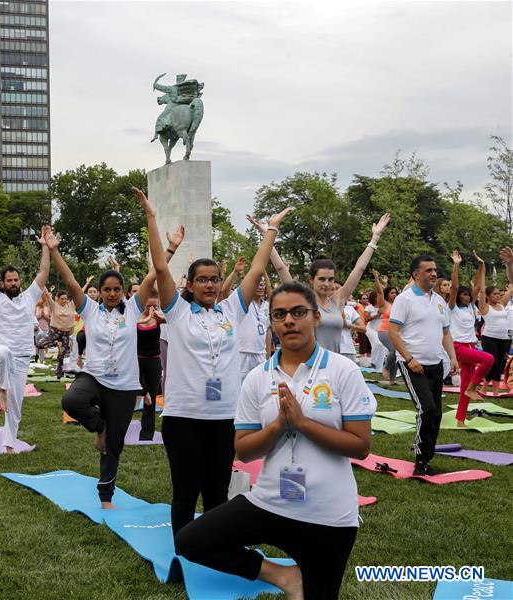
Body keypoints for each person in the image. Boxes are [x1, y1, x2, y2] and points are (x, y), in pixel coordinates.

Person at [175, 281, 374, 600]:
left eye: (298, 312)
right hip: (270, 503)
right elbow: (243, 448)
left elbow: (361, 446)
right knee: (191, 541)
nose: (289, 321)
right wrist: (280, 425)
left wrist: (302, 423)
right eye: (279, 314)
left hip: (328, 515)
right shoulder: (258, 377)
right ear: (272, 322)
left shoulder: (342, 371)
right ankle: (282, 575)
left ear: (316, 317)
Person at [147, 187, 293, 537]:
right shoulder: (178, 312)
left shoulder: (231, 309)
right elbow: (161, 269)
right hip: (183, 417)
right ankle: (184, 552)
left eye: (214, 279)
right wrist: (152, 220)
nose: (210, 284)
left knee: (216, 492)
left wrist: (270, 230)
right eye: (203, 279)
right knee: (185, 492)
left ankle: (212, 550)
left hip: (225, 417)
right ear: (192, 285)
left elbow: (257, 269)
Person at [45, 212, 173, 508]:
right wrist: (53, 250)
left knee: (113, 447)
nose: (113, 294)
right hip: (93, 377)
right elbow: (69, 280)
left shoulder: (133, 309)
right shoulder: (89, 309)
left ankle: (106, 496)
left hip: (124, 387)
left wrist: (171, 248)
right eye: (107, 289)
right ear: (100, 292)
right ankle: (99, 426)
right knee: (71, 402)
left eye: (117, 289)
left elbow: (155, 273)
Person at [249, 213, 391, 353]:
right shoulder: (304, 299)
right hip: (309, 366)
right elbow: (280, 267)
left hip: (334, 366)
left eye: (330, 279)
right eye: (322, 279)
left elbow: (359, 269)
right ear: (311, 279)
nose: (327, 284)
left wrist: (374, 239)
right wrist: (267, 233)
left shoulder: (337, 301)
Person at [0, 225, 50, 453]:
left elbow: (43, 274)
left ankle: (9, 445)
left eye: (16, 280)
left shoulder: (29, 297)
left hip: (21, 359)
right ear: (2, 284)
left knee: (15, 406)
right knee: (3, 352)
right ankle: (1, 387)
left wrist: (46, 248)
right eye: (9, 280)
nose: (13, 283)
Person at [388, 255, 459, 476]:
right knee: (426, 409)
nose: (434, 273)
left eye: (435, 269)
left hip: (435, 363)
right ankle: (420, 459)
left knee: (436, 413)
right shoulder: (405, 299)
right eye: (428, 270)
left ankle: (427, 458)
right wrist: (409, 359)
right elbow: (393, 333)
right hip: (412, 364)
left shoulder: (439, 300)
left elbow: (445, 332)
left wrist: (453, 357)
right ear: (416, 274)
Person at [449, 251, 492, 426]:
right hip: (459, 347)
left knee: (465, 385)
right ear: (459, 296)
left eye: (468, 294)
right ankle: (473, 387)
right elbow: (453, 287)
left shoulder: (469, 307)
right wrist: (456, 265)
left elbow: (479, 287)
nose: (467, 296)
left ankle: (460, 420)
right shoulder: (452, 307)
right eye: (463, 294)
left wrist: (482, 266)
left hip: (471, 346)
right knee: (489, 359)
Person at [137, 291, 166, 440]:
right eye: (149, 305)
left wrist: (160, 317)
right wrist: (147, 318)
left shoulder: (159, 319)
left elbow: (175, 321)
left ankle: (147, 433)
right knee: (136, 392)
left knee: (151, 400)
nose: (152, 309)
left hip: (154, 361)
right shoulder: (136, 318)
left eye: (155, 306)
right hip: (137, 361)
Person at [475, 283, 513, 398]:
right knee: (494, 363)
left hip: (504, 339)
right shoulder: (485, 307)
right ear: (488, 296)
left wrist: (508, 267)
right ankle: (489, 389)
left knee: (499, 364)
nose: (498, 296)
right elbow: (481, 291)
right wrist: (482, 271)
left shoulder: (501, 305)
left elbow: (510, 290)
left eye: (498, 293)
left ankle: (488, 390)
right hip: (489, 338)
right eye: (495, 294)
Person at [238, 276, 271, 381]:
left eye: (262, 285)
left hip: (261, 353)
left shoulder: (267, 306)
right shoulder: (244, 303)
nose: (260, 287)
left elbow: (268, 332)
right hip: (243, 351)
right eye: (257, 285)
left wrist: (268, 355)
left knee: (260, 385)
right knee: (240, 386)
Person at [43, 289, 76, 378]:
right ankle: (56, 343)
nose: (64, 300)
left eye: (65, 299)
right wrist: (42, 283)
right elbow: (46, 294)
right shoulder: (54, 305)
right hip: (56, 332)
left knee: (61, 355)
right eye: (62, 299)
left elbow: (77, 293)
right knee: (39, 345)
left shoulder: (71, 305)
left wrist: (87, 283)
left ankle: (60, 372)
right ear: (58, 299)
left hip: (66, 333)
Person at [375, 280, 399, 385]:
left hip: (395, 332)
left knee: (397, 354)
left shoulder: (398, 304)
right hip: (384, 331)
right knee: (393, 350)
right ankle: (385, 368)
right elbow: (380, 292)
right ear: (387, 294)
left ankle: (391, 380)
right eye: (392, 293)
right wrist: (376, 278)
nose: (394, 295)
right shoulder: (384, 304)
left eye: (396, 293)